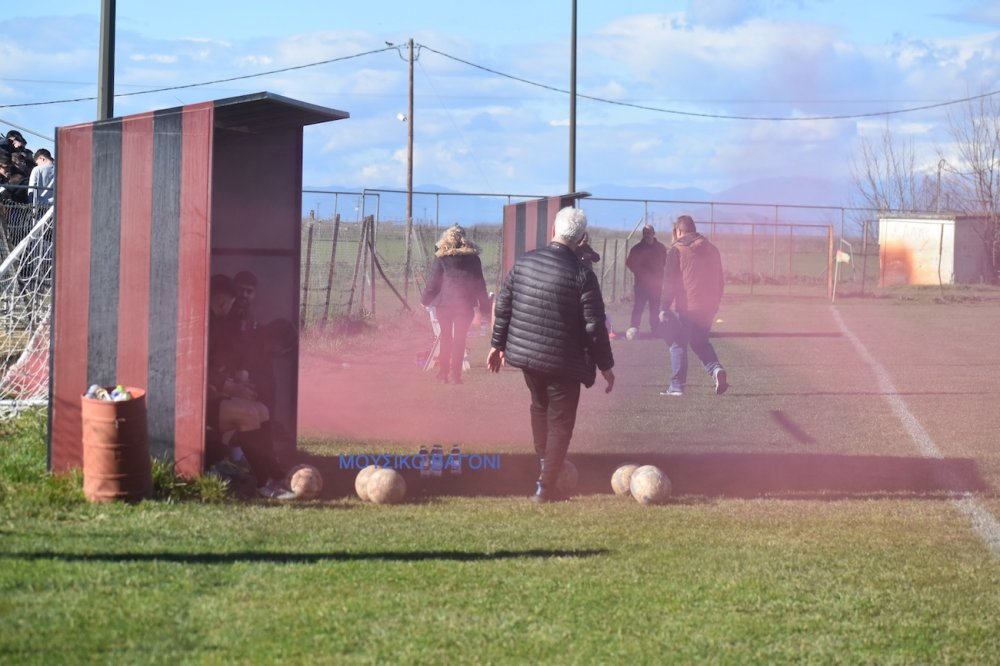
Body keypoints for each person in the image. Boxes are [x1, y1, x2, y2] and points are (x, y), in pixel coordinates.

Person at [488, 206, 615, 503]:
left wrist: (497, 344)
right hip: (565, 361)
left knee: (539, 408)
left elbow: (503, 304)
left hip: (528, 356)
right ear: (582, 238)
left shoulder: (525, 262)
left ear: (552, 232)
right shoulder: (583, 275)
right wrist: (606, 366)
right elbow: (594, 325)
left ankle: (546, 469)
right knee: (560, 422)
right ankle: (545, 488)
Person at [206, 274, 293, 499]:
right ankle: (264, 484)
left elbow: (216, 365)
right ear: (222, 301)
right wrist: (229, 387)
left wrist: (233, 378)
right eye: (230, 302)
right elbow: (197, 368)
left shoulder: (217, 324)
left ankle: (276, 474)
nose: (230, 307)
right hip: (196, 402)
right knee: (248, 416)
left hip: (213, 394)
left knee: (261, 410)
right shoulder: (202, 322)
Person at [658, 215, 728, 396]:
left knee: (677, 343)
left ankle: (676, 386)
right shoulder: (712, 249)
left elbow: (670, 282)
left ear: (679, 231)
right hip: (708, 306)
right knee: (700, 342)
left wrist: (663, 308)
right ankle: (716, 370)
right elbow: (720, 280)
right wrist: (716, 301)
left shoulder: (677, 250)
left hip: (686, 306)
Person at [420, 225, 491, 384]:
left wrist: (424, 300)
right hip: (465, 305)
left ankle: (443, 374)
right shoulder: (473, 259)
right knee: (460, 339)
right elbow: (480, 284)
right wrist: (485, 307)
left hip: (444, 304)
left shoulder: (441, 257)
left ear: (447, 238)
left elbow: (433, 283)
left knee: (445, 338)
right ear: (464, 239)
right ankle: (455, 376)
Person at [624, 224, 667, 339]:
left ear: (654, 233)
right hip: (641, 284)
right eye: (645, 233)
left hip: (656, 284)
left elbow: (665, 262)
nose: (647, 235)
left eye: (649, 233)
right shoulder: (637, 248)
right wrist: (641, 273)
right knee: (638, 306)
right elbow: (629, 263)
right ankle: (634, 328)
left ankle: (655, 329)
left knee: (655, 307)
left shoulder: (661, 248)